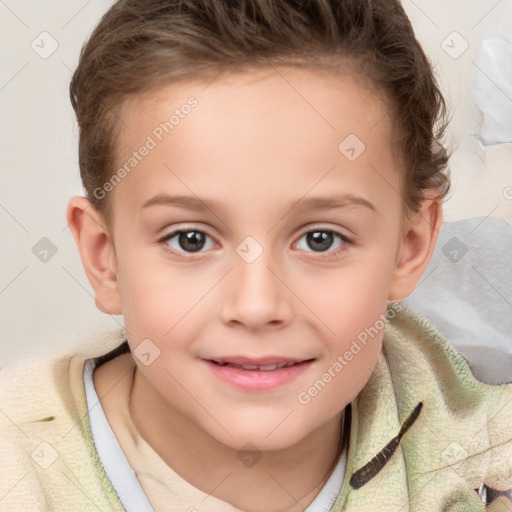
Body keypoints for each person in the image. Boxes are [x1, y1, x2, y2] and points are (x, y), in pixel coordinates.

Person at [1, 0, 511, 510]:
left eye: (320, 239)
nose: (256, 305)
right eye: (191, 239)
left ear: (410, 246)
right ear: (103, 256)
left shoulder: (485, 459)